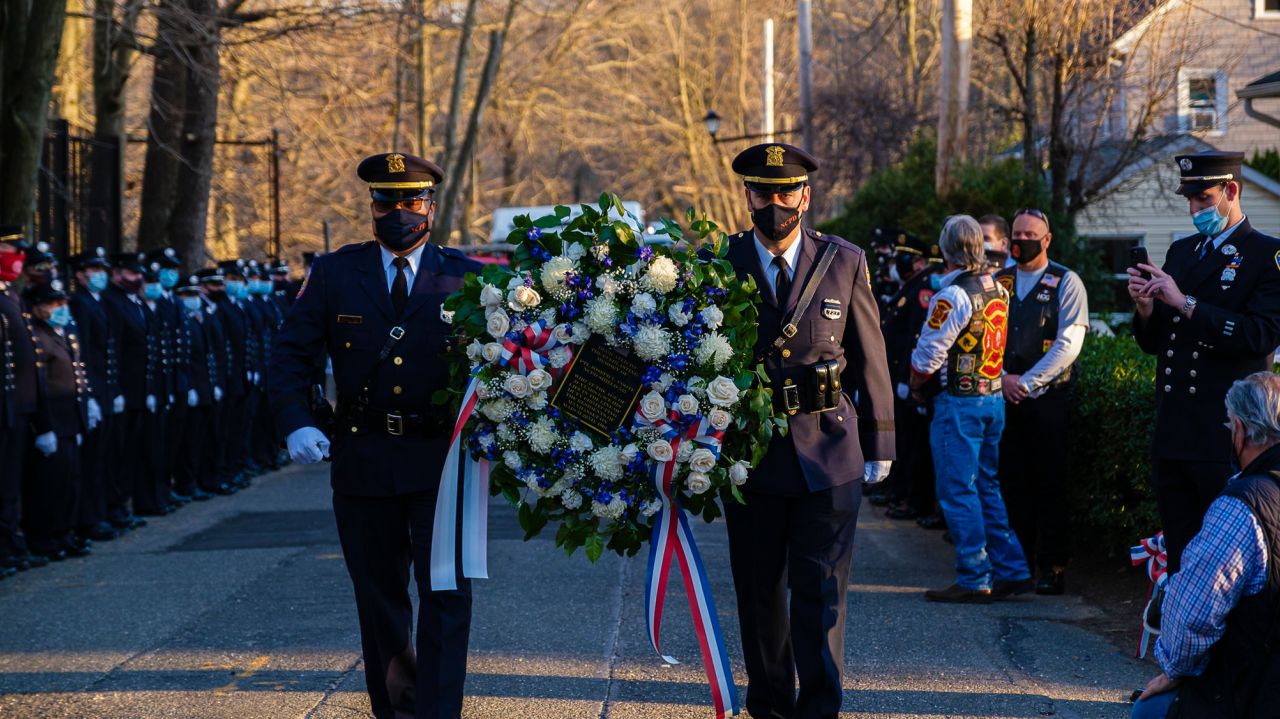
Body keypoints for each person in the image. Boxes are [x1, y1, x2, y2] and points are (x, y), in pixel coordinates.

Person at [267, 152, 482, 719]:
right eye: (387, 202)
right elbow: (290, 354)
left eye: (411, 201)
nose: (399, 213)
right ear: (372, 206)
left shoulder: (467, 276)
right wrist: (295, 420)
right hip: (364, 458)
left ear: (430, 206)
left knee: (447, 596)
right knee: (379, 600)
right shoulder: (336, 273)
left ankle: (438, 713)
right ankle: (398, 710)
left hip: (442, 461)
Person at [716, 143, 895, 719]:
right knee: (760, 596)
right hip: (750, 459)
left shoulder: (843, 261)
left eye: (785, 192)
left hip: (830, 451)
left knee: (821, 596)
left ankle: (819, 710)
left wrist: (881, 442)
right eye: (762, 193)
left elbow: (870, 357)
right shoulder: (718, 263)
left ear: (806, 196)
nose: (775, 204)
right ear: (747, 197)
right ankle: (769, 708)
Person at [1128, 151, 1280, 573]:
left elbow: (1260, 336)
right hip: (1175, 428)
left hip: (1225, 430)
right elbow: (1156, 341)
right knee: (1180, 549)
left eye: (1204, 199)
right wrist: (1145, 307)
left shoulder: (1266, 255)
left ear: (1231, 191)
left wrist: (1186, 303)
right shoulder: (1182, 252)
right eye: (1190, 201)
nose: (1195, 210)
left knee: (1224, 558)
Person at [1131, 371, 1280, 719]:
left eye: (1229, 424)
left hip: (1255, 688)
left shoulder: (1240, 507)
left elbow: (1193, 615)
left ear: (1240, 428)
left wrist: (1174, 669)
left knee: (1149, 709)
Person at [910, 214, 1032, 603]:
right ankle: (1011, 568)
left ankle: (975, 575)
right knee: (986, 485)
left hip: (959, 402)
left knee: (958, 489)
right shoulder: (998, 288)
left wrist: (915, 386)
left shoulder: (952, 295)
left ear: (946, 250)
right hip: (992, 398)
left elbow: (928, 356)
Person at [994, 208, 1089, 595]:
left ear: (1047, 240)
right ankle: (1015, 565)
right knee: (1010, 482)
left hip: (1048, 400)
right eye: (1017, 234)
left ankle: (1051, 565)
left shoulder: (1067, 281)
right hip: (1003, 397)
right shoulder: (999, 280)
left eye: (1030, 235)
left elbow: (1070, 343)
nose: (1022, 241)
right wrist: (1002, 379)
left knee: (1049, 483)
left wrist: (1027, 383)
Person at [21, 282, 91, 561]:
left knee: (69, 481)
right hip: (52, 421)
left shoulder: (60, 333)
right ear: (38, 308)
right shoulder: (37, 336)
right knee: (48, 485)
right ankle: (45, 539)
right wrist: (44, 427)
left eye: (63, 303)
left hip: (69, 419)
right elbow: (40, 386)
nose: (61, 309)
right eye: (53, 304)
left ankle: (64, 533)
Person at [877, 231, 943, 523]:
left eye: (902, 258)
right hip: (896, 375)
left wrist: (906, 378)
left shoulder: (923, 288)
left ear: (918, 263)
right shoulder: (909, 287)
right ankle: (900, 491)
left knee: (914, 443)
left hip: (910, 379)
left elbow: (916, 337)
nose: (896, 264)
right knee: (902, 440)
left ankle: (915, 499)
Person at [0, 225, 53, 575]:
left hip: (18, 406)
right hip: (6, 406)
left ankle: (11, 543)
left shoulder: (11, 295)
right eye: (11, 251)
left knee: (10, 483)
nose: (18, 258)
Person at [101, 253, 159, 527]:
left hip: (138, 390)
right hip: (123, 390)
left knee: (131, 451)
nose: (138, 278)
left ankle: (124, 504)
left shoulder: (133, 302)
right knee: (118, 452)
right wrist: (115, 390)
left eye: (139, 274)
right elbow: (114, 348)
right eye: (132, 273)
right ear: (117, 274)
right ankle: (114, 506)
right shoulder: (112, 302)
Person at [68, 247, 118, 543]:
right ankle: (89, 519)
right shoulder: (79, 303)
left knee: (102, 458)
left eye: (102, 270)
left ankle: (100, 514)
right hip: (93, 390)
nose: (100, 275)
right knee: (91, 460)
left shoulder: (97, 301)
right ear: (80, 275)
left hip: (105, 388)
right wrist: (88, 394)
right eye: (94, 270)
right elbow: (82, 352)